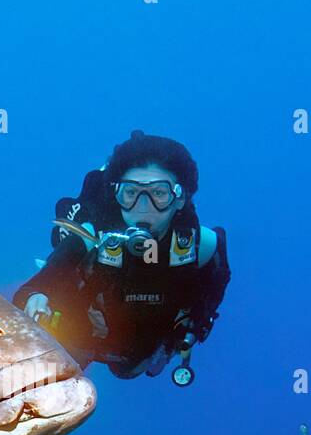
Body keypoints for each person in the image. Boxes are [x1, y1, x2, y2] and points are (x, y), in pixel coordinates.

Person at [13, 130, 231, 382]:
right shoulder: (91, 237)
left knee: (131, 368)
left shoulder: (201, 245)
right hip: (82, 334)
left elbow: (214, 288)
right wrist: (36, 298)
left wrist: (191, 327)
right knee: (57, 374)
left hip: (140, 345)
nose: (144, 205)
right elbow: (40, 283)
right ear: (117, 195)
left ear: (179, 199)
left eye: (159, 193)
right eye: (131, 193)